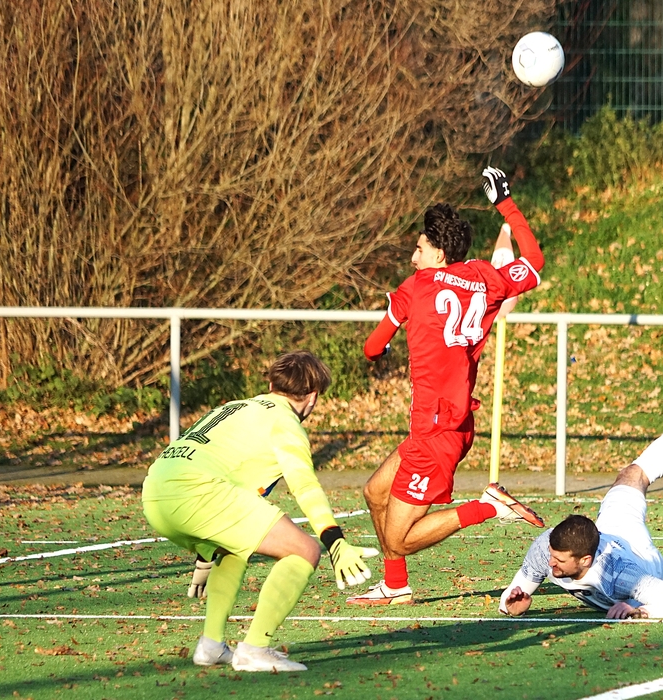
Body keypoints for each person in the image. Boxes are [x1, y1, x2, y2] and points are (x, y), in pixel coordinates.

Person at [346, 167, 547, 606]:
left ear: (438, 253)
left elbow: (371, 348)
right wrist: (505, 203)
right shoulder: (484, 277)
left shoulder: (415, 287)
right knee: (375, 492)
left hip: (436, 430)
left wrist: (387, 342)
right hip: (448, 422)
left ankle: (489, 507)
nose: (413, 257)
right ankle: (395, 586)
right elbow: (534, 261)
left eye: (419, 249)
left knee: (399, 540)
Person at [142, 351, 377, 672]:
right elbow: (304, 485)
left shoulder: (234, 407)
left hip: (154, 491)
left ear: (270, 385)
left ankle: (211, 646)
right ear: (312, 397)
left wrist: (205, 551)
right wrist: (334, 541)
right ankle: (254, 649)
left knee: (234, 550)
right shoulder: (285, 422)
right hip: (196, 492)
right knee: (305, 550)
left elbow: (216, 462)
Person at [500, 388, 663, 620]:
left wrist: (641, 611)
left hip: (642, 558)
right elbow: (512, 596)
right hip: (614, 530)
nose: (550, 563)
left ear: (585, 560)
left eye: (559, 560)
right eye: (552, 555)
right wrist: (511, 606)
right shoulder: (546, 547)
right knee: (631, 475)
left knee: (642, 594)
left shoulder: (623, 574)